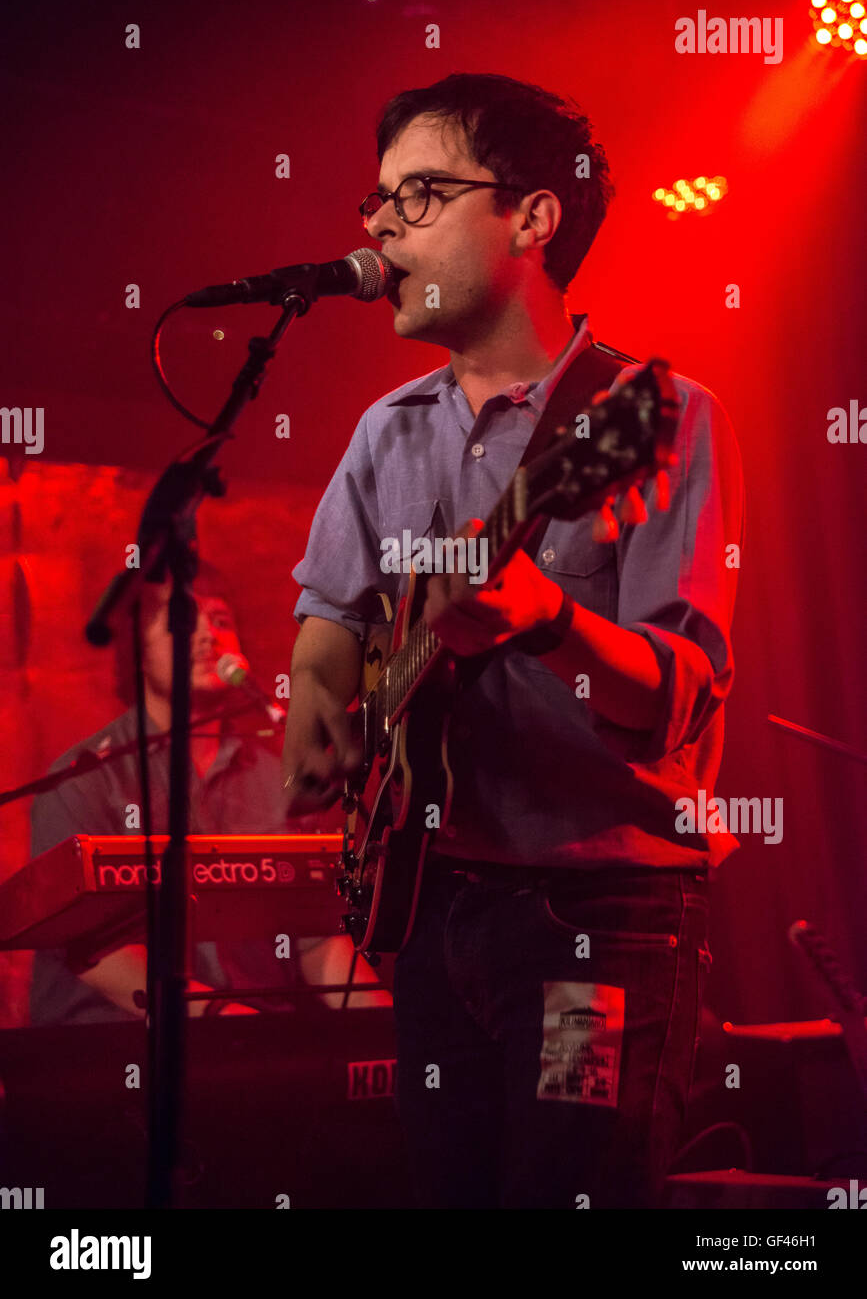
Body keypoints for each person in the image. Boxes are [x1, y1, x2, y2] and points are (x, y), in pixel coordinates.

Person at [282, 72, 744, 1208]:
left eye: (421, 193)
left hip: (596, 922)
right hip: (435, 911)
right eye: (376, 200)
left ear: (534, 219)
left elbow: (672, 697)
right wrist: (322, 708)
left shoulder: (657, 414)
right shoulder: (383, 434)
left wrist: (550, 618)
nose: (380, 224)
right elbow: (329, 623)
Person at [29, 561, 384, 1024]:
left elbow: (314, 938)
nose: (206, 636)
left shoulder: (277, 773)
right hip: (117, 1057)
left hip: (256, 1042)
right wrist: (224, 1020)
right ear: (136, 651)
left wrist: (383, 1026)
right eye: (181, 621)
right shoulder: (83, 780)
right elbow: (92, 951)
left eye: (221, 622)